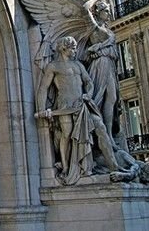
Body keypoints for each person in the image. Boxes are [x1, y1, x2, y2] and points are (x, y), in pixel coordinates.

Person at [36, 36, 119, 185]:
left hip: (82, 106)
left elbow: (89, 82)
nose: (75, 51)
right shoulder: (53, 66)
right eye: (73, 48)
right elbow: (43, 88)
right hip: (64, 106)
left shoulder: (79, 65)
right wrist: (42, 109)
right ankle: (66, 168)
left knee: (99, 126)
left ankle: (114, 166)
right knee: (67, 134)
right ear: (63, 48)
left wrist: (88, 93)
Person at [84, 0, 119, 143]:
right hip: (100, 64)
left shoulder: (106, 29)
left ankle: (109, 133)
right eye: (106, 11)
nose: (109, 14)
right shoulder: (93, 27)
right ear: (98, 12)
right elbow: (85, 7)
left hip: (110, 64)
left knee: (112, 98)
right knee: (102, 97)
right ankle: (103, 134)